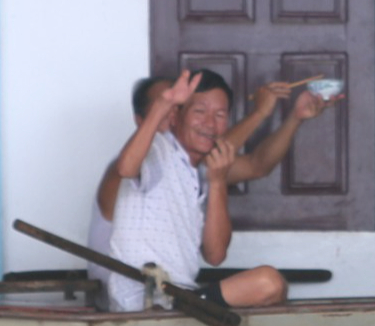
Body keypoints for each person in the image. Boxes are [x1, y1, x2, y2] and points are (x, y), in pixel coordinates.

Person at [91, 68, 331, 311]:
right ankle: (194, 307)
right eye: (199, 111)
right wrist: (163, 103)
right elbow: (126, 167)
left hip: (181, 296)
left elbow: (215, 255)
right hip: (139, 299)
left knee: (270, 285)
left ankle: (195, 306)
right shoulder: (158, 149)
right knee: (268, 282)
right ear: (175, 116)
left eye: (220, 114)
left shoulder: (198, 171)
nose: (210, 123)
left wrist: (217, 183)